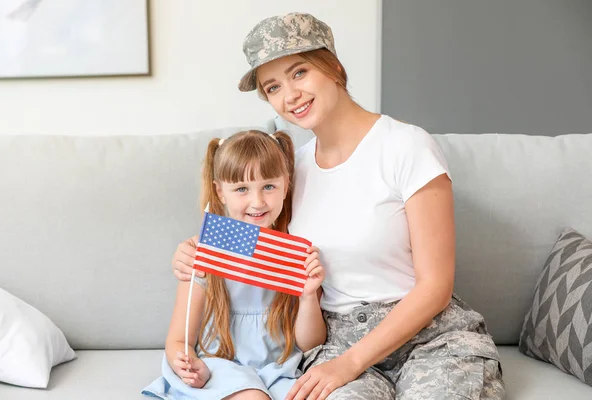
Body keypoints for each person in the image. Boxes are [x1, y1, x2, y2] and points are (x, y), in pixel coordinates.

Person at [172, 12, 505, 400]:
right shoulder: (290, 168)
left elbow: (435, 287)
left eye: (299, 73)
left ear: (333, 67)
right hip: (334, 343)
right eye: (273, 87)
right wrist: (194, 251)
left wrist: (350, 363)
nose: (290, 95)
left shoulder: (407, 146)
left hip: (429, 341)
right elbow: (258, 237)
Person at [143, 130, 326, 400]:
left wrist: (309, 295)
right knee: (253, 396)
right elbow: (179, 340)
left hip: (278, 373)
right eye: (242, 189)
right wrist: (188, 364)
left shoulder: (294, 253)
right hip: (220, 370)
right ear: (221, 191)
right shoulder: (205, 254)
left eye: (269, 186)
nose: (258, 202)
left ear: (286, 185)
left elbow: (310, 344)